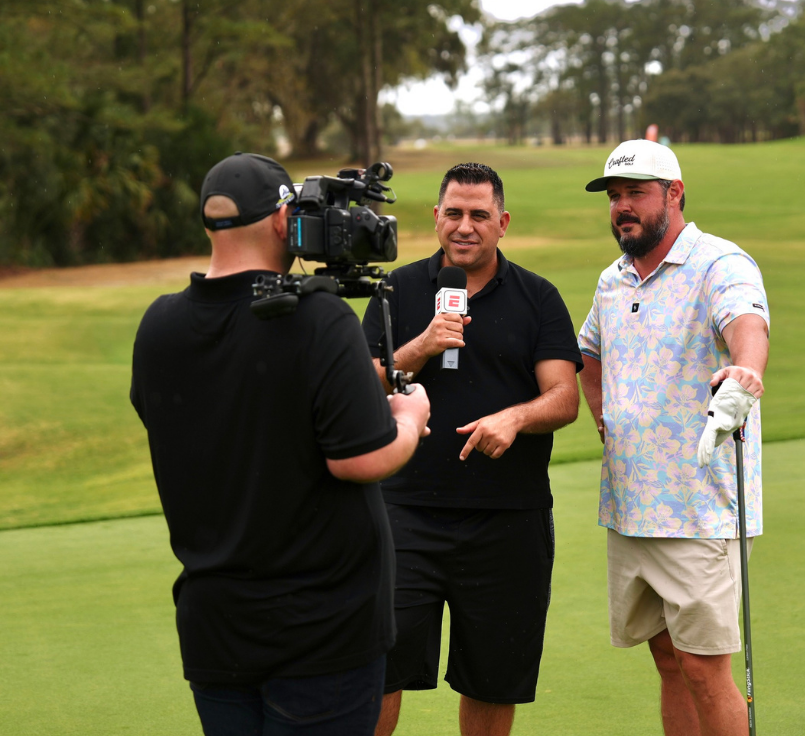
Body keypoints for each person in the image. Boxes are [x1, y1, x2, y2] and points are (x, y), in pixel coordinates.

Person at [130, 152, 431, 736]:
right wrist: (409, 420)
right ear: (280, 220)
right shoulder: (318, 318)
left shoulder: (159, 326)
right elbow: (360, 459)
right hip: (322, 631)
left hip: (215, 626)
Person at [360, 163, 582, 736]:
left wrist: (515, 417)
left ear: (502, 223)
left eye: (479, 215)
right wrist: (422, 346)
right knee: (377, 667)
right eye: (453, 213)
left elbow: (563, 397)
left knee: (492, 677)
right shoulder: (396, 291)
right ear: (435, 218)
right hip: (404, 513)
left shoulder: (538, 297)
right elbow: (361, 384)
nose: (465, 226)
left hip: (507, 521)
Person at [577, 140, 770, 736]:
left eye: (635, 193)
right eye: (615, 197)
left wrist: (746, 372)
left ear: (674, 194)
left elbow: (746, 322)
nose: (622, 207)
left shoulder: (719, 264)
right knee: (667, 662)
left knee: (704, 668)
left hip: (701, 511)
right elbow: (588, 352)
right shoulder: (613, 279)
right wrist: (603, 413)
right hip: (631, 508)